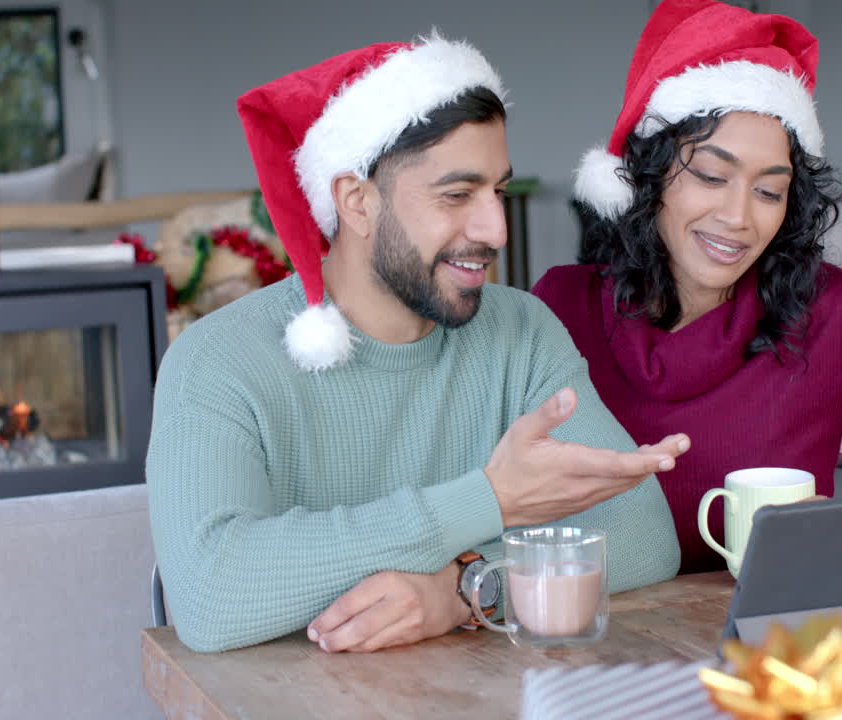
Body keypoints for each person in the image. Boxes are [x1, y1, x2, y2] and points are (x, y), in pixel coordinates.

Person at [146, 33, 686, 654]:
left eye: (497, 192)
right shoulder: (218, 360)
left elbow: (642, 534)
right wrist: (488, 501)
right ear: (356, 202)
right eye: (456, 196)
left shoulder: (521, 331)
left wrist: (465, 589)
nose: (495, 230)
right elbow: (213, 594)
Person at [532, 0, 842, 575]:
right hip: (592, 642)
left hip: (779, 649)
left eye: (769, 191)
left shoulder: (833, 314)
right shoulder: (557, 308)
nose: (738, 217)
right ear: (648, 174)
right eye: (710, 175)